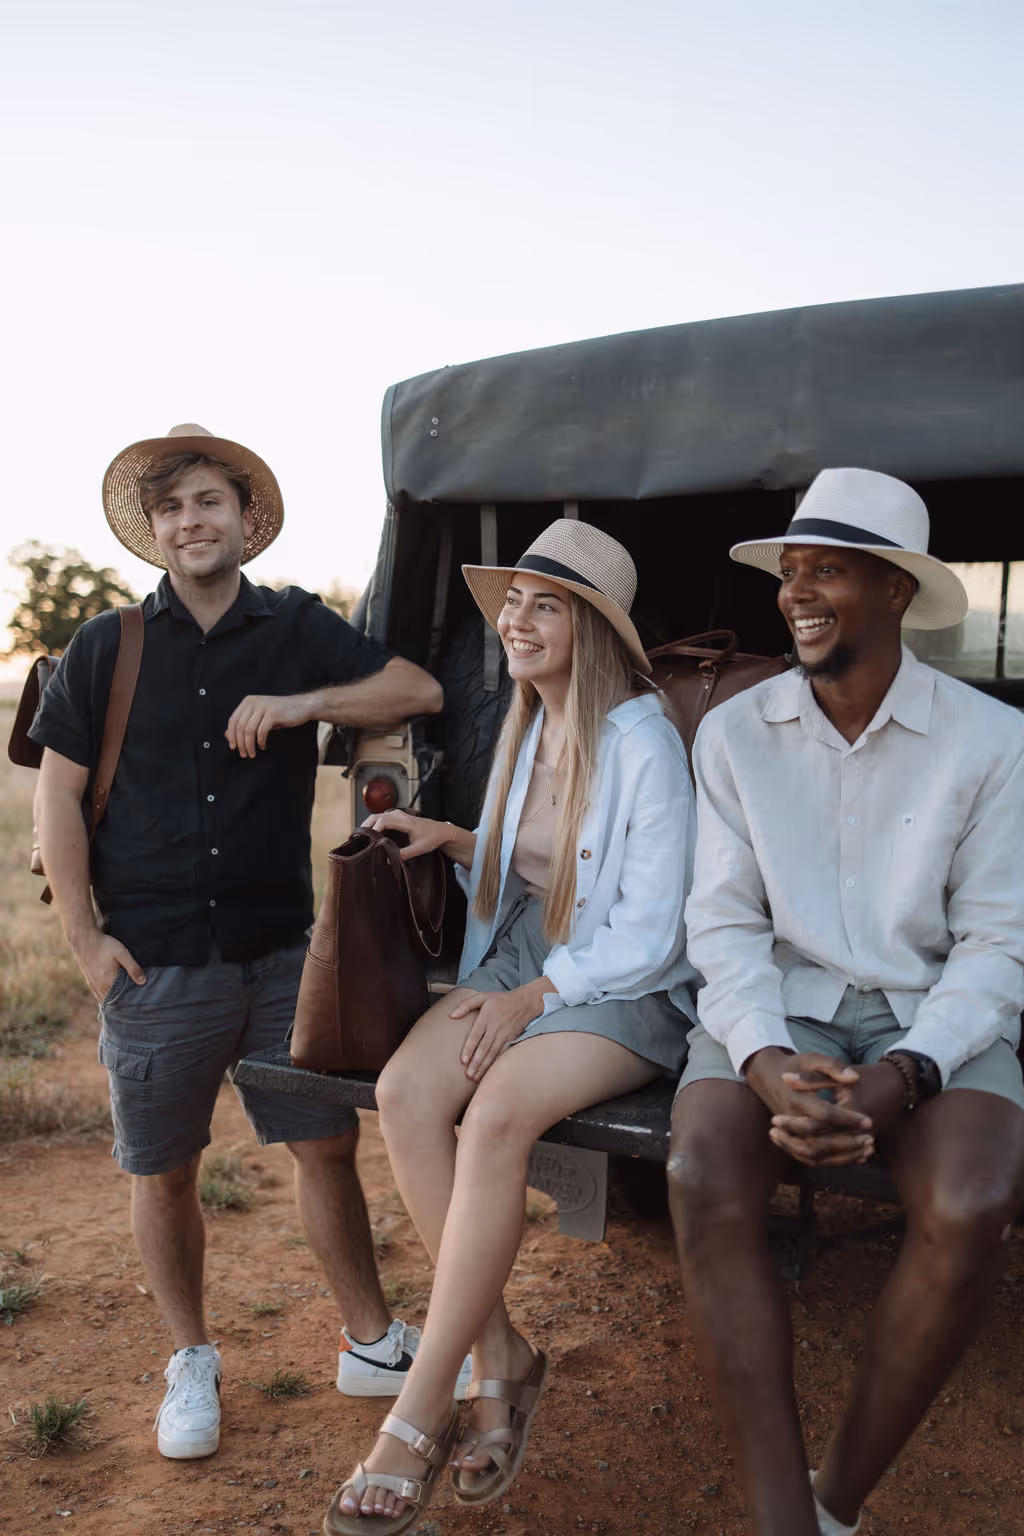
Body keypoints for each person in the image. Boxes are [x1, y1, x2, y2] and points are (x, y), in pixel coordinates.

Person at [30, 423, 462, 1462]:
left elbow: (421, 690)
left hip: (279, 952)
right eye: (172, 508)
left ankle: (368, 1341)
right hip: (154, 958)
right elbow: (57, 792)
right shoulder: (107, 644)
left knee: (324, 1146)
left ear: (245, 518)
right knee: (167, 1171)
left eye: (208, 502)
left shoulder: (295, 627)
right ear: (155, 531)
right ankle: (192, 1360)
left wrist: (310, 701)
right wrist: (86, 939)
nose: (191, 522)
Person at [668, 467, 1024, 1536]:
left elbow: (999, 943)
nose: (798, 592)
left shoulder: (990, 740)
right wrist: (761, 1055)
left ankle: (836, 1501)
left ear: (896, 591)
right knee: (700, 1166)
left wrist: (908, 1071)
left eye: (828, 570)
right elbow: (723, 925)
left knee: (969, 1202)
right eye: (790, 571)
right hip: (780, 1008)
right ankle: (785, 1518)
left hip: (933, 1013)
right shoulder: (732, 733)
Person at [323, 520, 697, 1534]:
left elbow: (653, 927)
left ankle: (417, 1411)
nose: (516, 623)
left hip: (622, 972)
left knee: (494, 1116)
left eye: (546, 605)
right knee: (406, 1093)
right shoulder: (530, 721)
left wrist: (538, 997)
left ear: (594, 629)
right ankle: (502, 1356)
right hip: (525, 948)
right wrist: (453, 837)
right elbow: (542, 847)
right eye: (513, 603)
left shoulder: (643, 741)